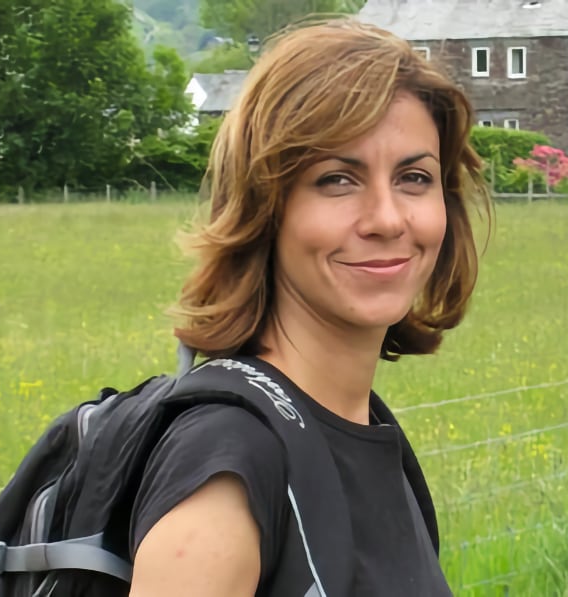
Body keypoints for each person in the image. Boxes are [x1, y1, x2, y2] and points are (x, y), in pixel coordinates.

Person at [128, 17, 490, 597]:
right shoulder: (230, 467)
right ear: (264, 207)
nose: (388, 219)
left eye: (414, 178)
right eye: (337, 180)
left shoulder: (366, 430)